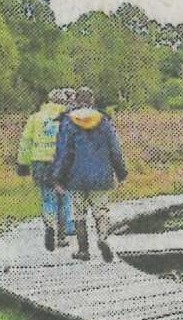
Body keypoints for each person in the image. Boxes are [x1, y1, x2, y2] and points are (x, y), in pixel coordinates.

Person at [52, 87, 128, 262]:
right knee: (101, 211)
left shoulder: (68, 122)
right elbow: (115, 150)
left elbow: (64, 153)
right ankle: (102, 238)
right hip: (101, 176)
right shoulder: (104, 121)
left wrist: (58, 177)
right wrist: (121, 173)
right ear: (92, 101)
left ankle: (83, 250)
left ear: (77, 101)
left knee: (79, 214)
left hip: (76, 177)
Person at [16, 87, 74, 252]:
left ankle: (50, 226)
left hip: (41, 162)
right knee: (64, 199)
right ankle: (62, 238)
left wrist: (23, 164)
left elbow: (26, 141)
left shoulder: (36, 118)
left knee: (48, 198)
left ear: (48, 101)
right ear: (64, 101)